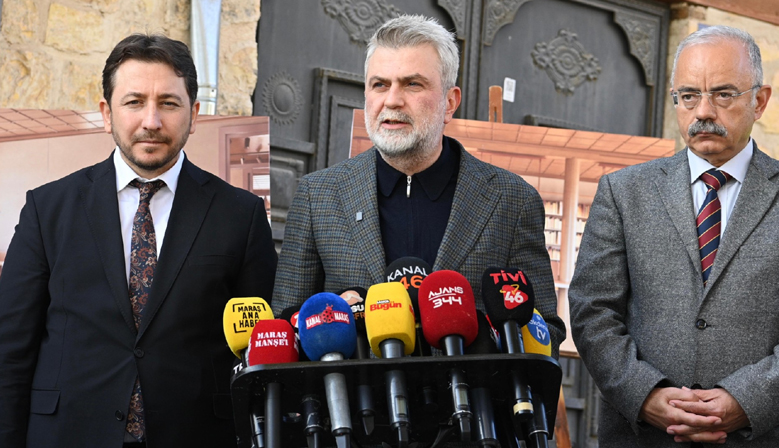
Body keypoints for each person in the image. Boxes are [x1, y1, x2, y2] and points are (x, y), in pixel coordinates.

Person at [0, 34, 277, 447]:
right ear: (107, 113)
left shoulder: (241, 215)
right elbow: (10, 350)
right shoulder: (48, 209)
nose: (152, 121)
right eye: (134, 102)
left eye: (169, 103)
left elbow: (260, 351)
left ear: (194, 115)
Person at [271, 15, 565, 357]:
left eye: (412, 84)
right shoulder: (317, 196)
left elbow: (546, 330)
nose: (392, 100)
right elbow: (285, 326)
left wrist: (488, 340)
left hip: (472, 389)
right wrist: (332, 319)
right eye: (380, 84)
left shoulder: (512, 200)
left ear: (450, 102)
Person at [568, 25, 777, 447]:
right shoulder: (623, 192)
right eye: (689, 95)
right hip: (641, 436)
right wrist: (645, 395)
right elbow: (593, 309)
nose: (704, 111)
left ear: (759, 100)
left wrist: (749, 400)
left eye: (723, 94)